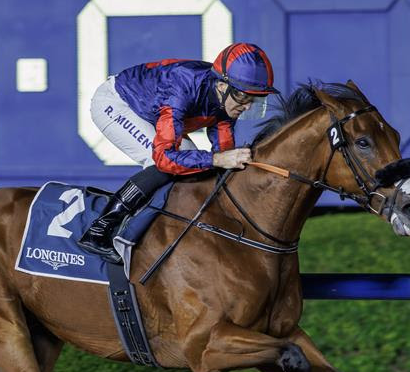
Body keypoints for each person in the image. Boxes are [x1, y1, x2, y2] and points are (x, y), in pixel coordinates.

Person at [77, 42, 278, 264]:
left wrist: (229, 162)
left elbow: (224, 150)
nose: (248, 106)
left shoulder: (227, 97)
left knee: (196, 164)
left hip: (154, 110)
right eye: (243, 97)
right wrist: (217, 159)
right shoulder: (181, 88)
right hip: (118, 103)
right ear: (222, 86)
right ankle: (99, 231)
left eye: (254, 98)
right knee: (163, 164)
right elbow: (165, 159)